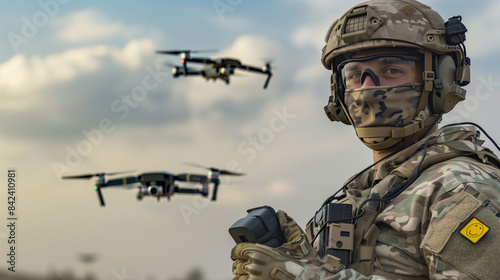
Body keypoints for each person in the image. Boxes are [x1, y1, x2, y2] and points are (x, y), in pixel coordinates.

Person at [231, 0, 500, 279]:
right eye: (356, 75)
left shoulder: (461, 188)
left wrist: (301, 275)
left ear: (440, 80)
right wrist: (300, 257)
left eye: (391, 70)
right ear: (338, 92)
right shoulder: (358, 196)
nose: (368, 88)